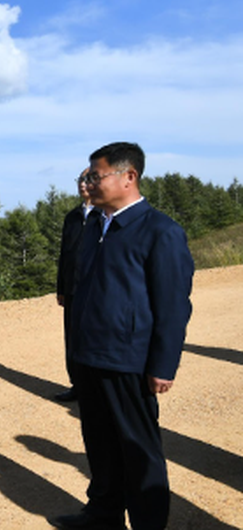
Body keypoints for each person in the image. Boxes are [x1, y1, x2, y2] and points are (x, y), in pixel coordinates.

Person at [48, 143, 194, 530]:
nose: (89, 183)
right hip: (90, 356)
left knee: (138, 452)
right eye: (88, 177)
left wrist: (163, 365)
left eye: (96, 176)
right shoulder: (95, 226)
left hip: (129, 360)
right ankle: (103, 514)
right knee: (99, 443)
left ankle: (148, 523)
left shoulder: (160, 231)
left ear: (128, 177)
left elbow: (174, 306)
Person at [53, 168, 96, 403]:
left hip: (94, 291)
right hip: (72, 290)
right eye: (80, 180)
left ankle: (95, 388)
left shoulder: (104, 216)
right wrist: (61, 288)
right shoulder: (72, 217)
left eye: (88, 179)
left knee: (93, 339)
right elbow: (65, 254)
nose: (82, 184)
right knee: (72, 339)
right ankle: (77, 385)